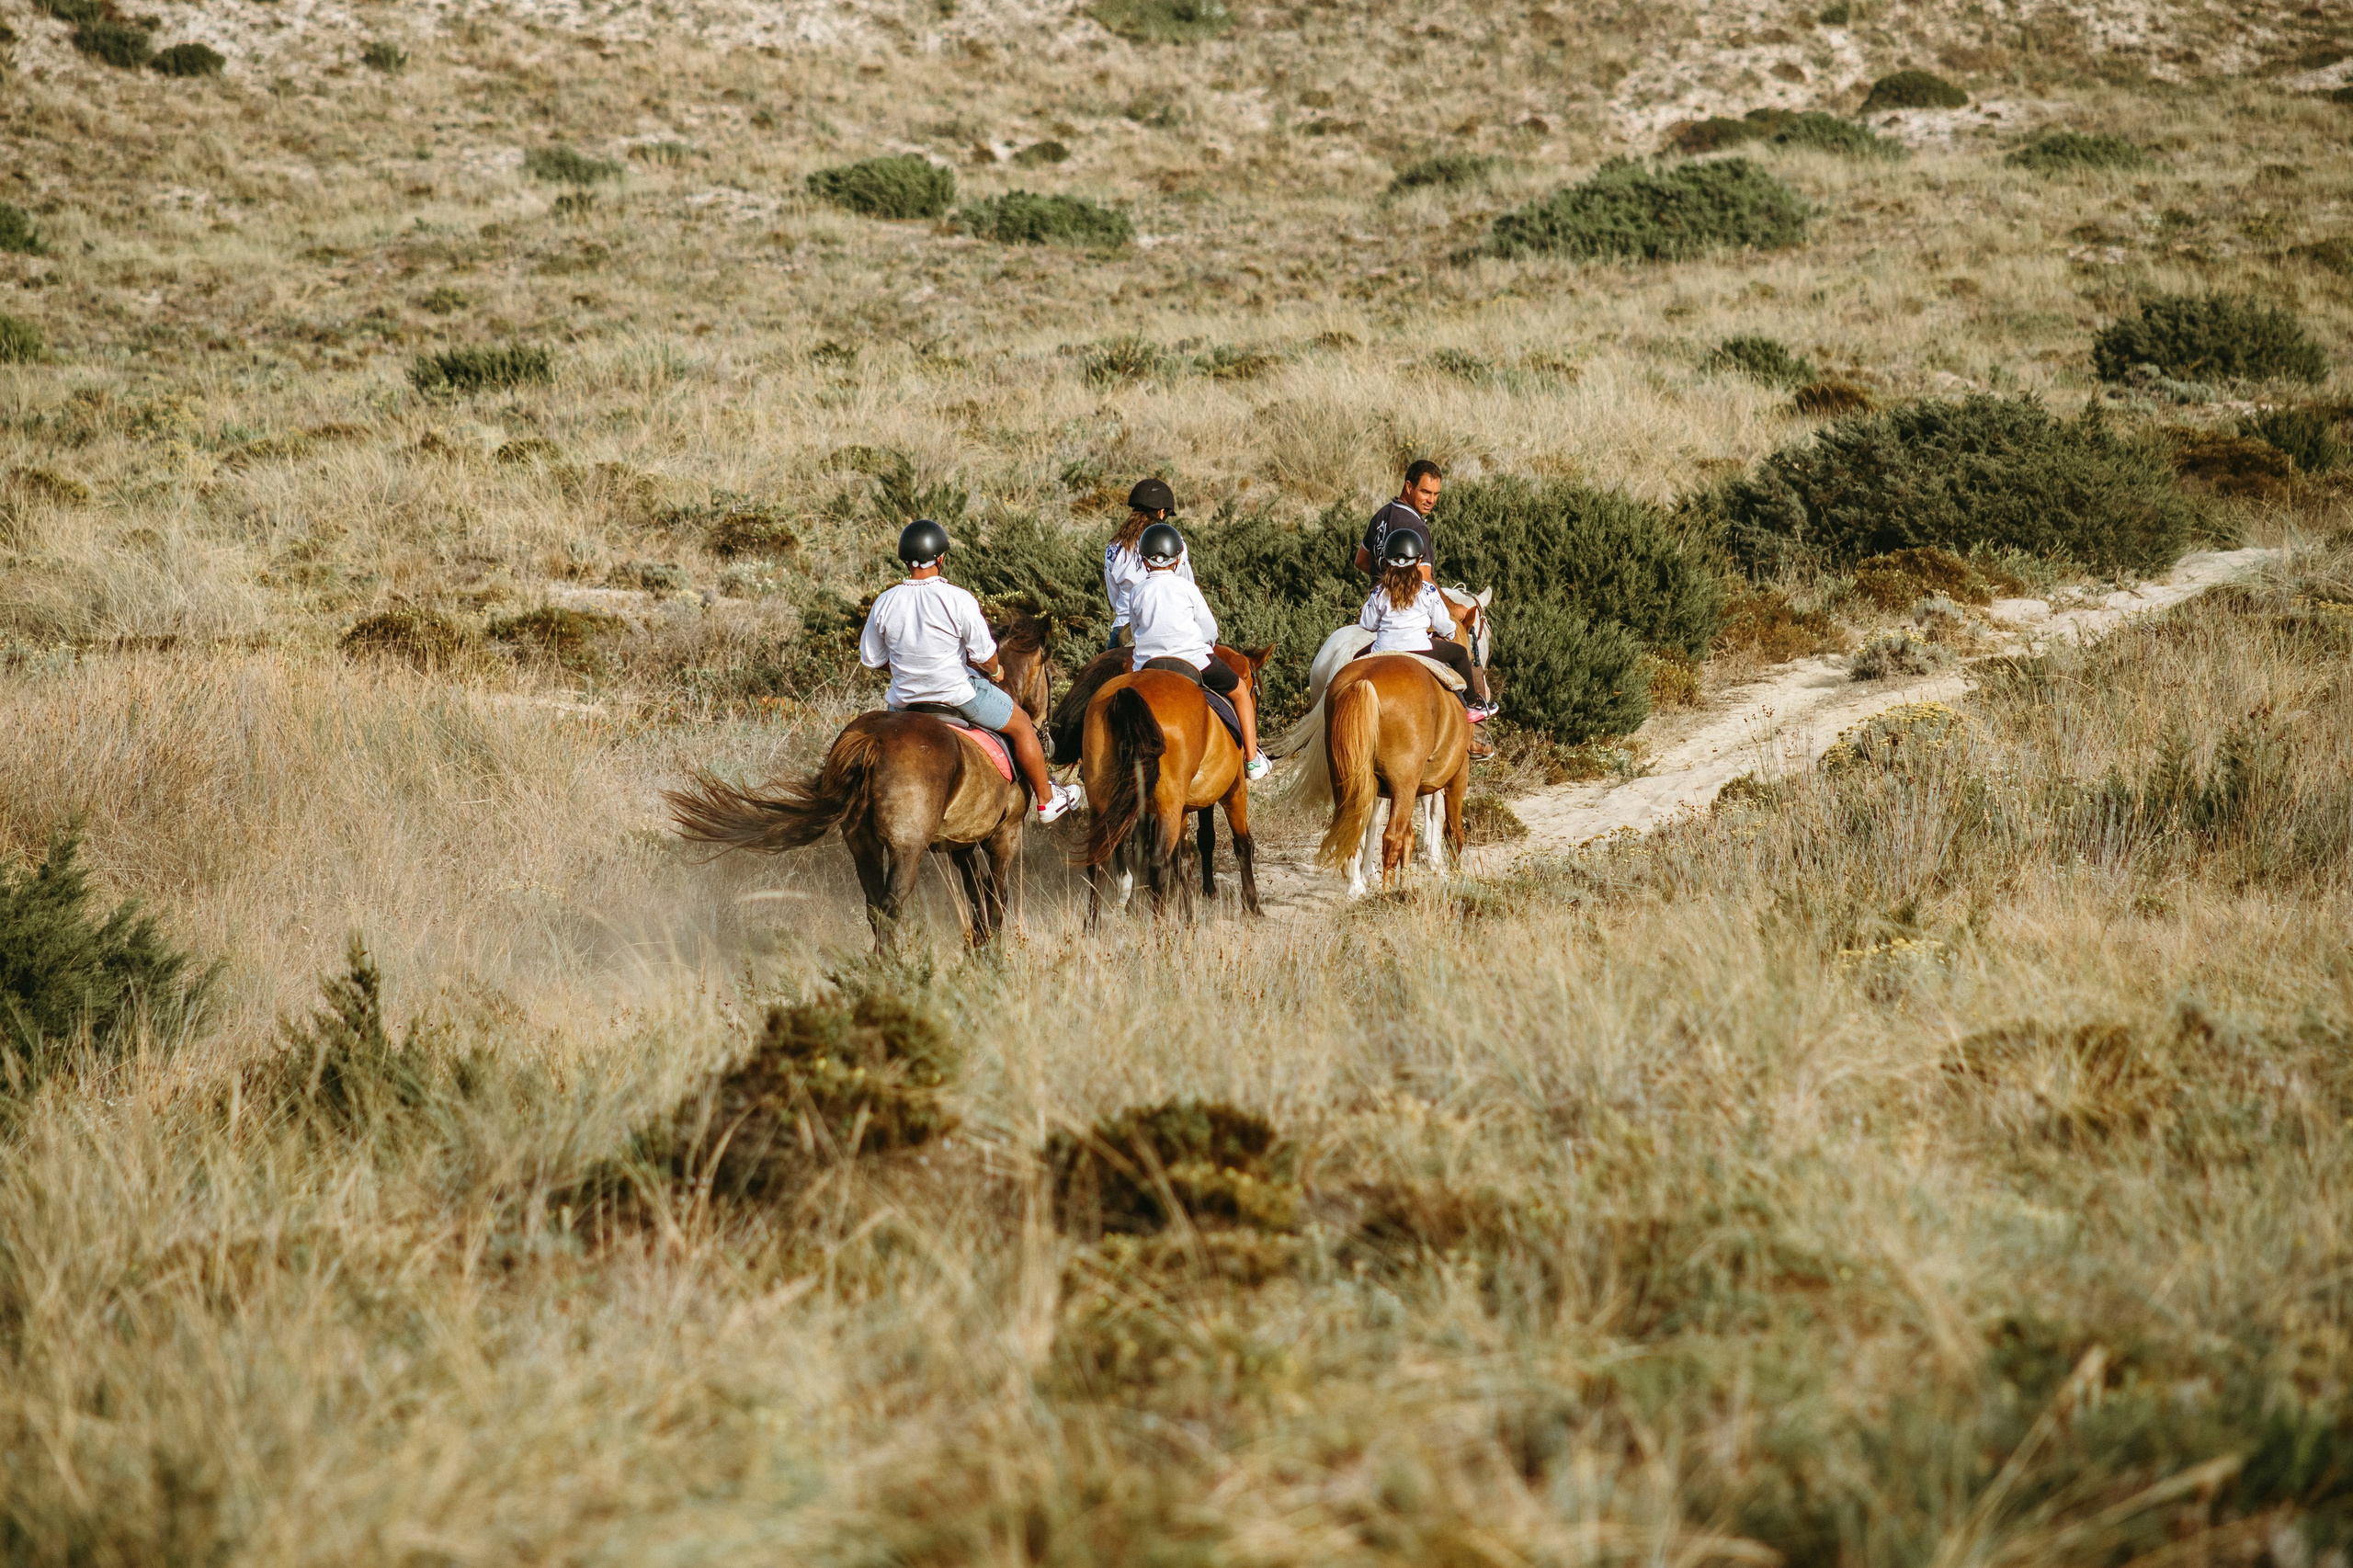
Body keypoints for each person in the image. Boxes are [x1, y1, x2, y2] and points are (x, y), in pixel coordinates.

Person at [859, 518, 1085, 824]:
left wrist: (906, 667)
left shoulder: (885, 602)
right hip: (958, 696)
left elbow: (872, 659)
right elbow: (985, 656)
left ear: (904, 559)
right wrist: (996, 671)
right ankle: (1047, 800)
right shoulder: (958, 598)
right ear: (940, 558)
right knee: (1022, 725)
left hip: (903, 703)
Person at [1128, 522, 1270, 781]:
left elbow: (1135, 630)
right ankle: (1252, 760)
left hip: (1147, 665)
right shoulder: (1188, 588)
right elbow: (1209, 630)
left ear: (1144, 560)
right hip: (1192, 662)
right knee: (1240, 691)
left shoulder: (1136, 592)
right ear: (1177, 558)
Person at [1358, 532, 1496, 720]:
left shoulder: (1380, 592)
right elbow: (1444, 626)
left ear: (1388, 562)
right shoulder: (1428, 590)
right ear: (1418, 562)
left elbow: (1367, 623)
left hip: (1384, 648)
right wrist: (1449, 634)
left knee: (1356, 659)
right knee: (1460, 654)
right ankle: (1473, 705)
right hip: (1420, 648)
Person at [1102, 477, 1192, 652]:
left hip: (1124, 628)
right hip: (1166, 627)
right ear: (1161, 512)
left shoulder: (1114, 546)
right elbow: (1187, 585)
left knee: (1100, 669)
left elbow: (1113, 596)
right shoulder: (1175, 543)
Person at [1354, 459, 1442, 582]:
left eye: (1436, 494)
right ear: (1409, 486)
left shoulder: (1381, 514)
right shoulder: (1416, 527)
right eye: (1425, 492)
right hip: (1406, 595)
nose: (1431, 500)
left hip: (1377, 594)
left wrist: (1386, 583)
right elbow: (1425, 580)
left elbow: (1361, 561)